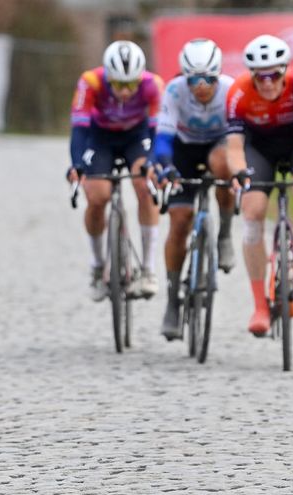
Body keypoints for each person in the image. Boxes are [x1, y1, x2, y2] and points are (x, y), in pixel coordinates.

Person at [226, 34, 293, 336]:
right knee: (252, 212)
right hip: (258, 148)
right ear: (252, 76)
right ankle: (260, 305)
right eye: (260, 77)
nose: (267, 82)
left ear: (285, 70)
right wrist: (239, 172)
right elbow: (234, 147)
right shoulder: (238, 93)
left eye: (274, 74)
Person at [152, 39, 236, 340]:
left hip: (218, 147)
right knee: (179, 223)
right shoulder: (174, 91)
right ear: (185, 77)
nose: (202, 86)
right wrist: (164, 165)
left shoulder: (230, 90)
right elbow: (162, 139)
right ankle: (173, 300)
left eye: (209, 79)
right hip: (184, 152)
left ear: (219, 75)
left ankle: (225, 232)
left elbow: (242, 139)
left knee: (224, 163)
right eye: (194, 79)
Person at [67, 40, 162, 302]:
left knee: (145, 185)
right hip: (100, 137)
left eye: (131, 84)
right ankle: (98, 266)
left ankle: (148, 269)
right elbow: (79, 129)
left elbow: (158, 131)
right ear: (108, 76)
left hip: (137, 136)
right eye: (118, 84)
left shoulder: (153, 84)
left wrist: (153, 163)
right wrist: (77, 164)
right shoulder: (90, 81)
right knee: (97, 196)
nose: (125, 91)